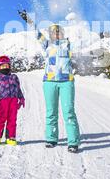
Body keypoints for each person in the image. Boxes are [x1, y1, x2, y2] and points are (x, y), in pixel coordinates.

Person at [20, 10, 81, 153]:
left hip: (67, 82)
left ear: (63, 33)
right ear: (50, 34)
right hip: (49, 82)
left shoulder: (69, 45)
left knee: (69, 112)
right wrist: (29, 20)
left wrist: (76, 21)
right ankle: (52, 138)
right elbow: (36, 33)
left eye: (59, 31)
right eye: (53, 32)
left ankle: (73, 142)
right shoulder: (46, 44)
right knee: (51, 111)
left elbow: (80, 38)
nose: (56, 34)